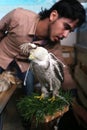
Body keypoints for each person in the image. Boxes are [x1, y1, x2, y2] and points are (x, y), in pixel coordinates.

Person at [0, 0, 86, 129]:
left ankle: (27, 123)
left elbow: (64, 73)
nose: (65, 35)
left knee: (28, 90)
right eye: (66, 27)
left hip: (24, 68)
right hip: (2, 57)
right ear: (53, 16)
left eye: (70, 31)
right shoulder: (18, 16)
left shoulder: (54, 46)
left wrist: (74, 104)